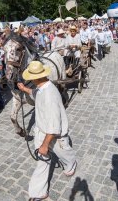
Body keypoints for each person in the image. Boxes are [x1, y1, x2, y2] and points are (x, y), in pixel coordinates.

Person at [17, 61, 77, 200]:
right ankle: (39, 192)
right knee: (42, 161)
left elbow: (54, 126)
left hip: (53, 135)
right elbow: (36, 93)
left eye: (31, 76)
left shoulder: (50, 95)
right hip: (42, 130)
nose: (30, 79)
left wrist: (45, 145)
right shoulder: (42, 86)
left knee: (65, 154)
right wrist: (25, 89)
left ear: (36, 77)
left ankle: (71, 163)